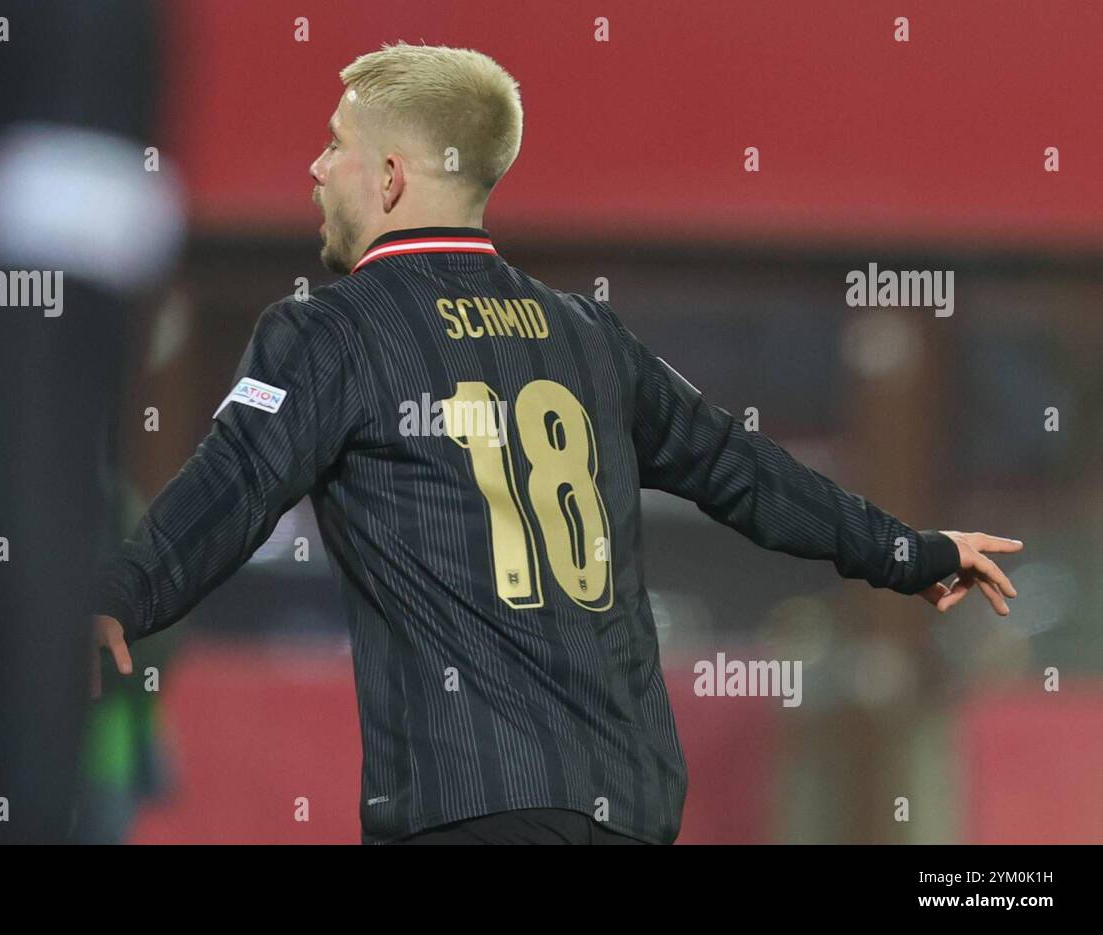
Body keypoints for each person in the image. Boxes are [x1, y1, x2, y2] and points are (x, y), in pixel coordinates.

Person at [92, 42, 1022, 845]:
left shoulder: (328, 334)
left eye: (336, 142)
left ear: (389, 179)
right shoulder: (588, 336)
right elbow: (745, 470)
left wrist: (120, 594)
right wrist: (912, 549)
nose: (316, 167)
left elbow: (235, 482)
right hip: (627, 798)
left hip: (468, 802)